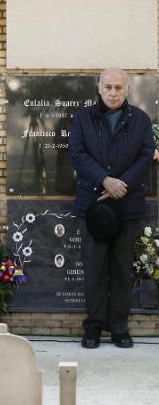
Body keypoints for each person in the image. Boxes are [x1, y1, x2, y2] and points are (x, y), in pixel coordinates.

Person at [69, 68, 155, 349]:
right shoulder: (83, 118)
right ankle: (93, 326)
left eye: (119, 87)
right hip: (92, 205)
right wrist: (104, 180)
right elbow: (77, 154)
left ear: (127, 90)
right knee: (94, 268)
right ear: (99, 88)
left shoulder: (140, 120)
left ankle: (119, 327)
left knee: (121, 269)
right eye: (108, 87)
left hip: (127, 205)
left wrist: (122, 184)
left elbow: (145, 156)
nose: (113, 92)